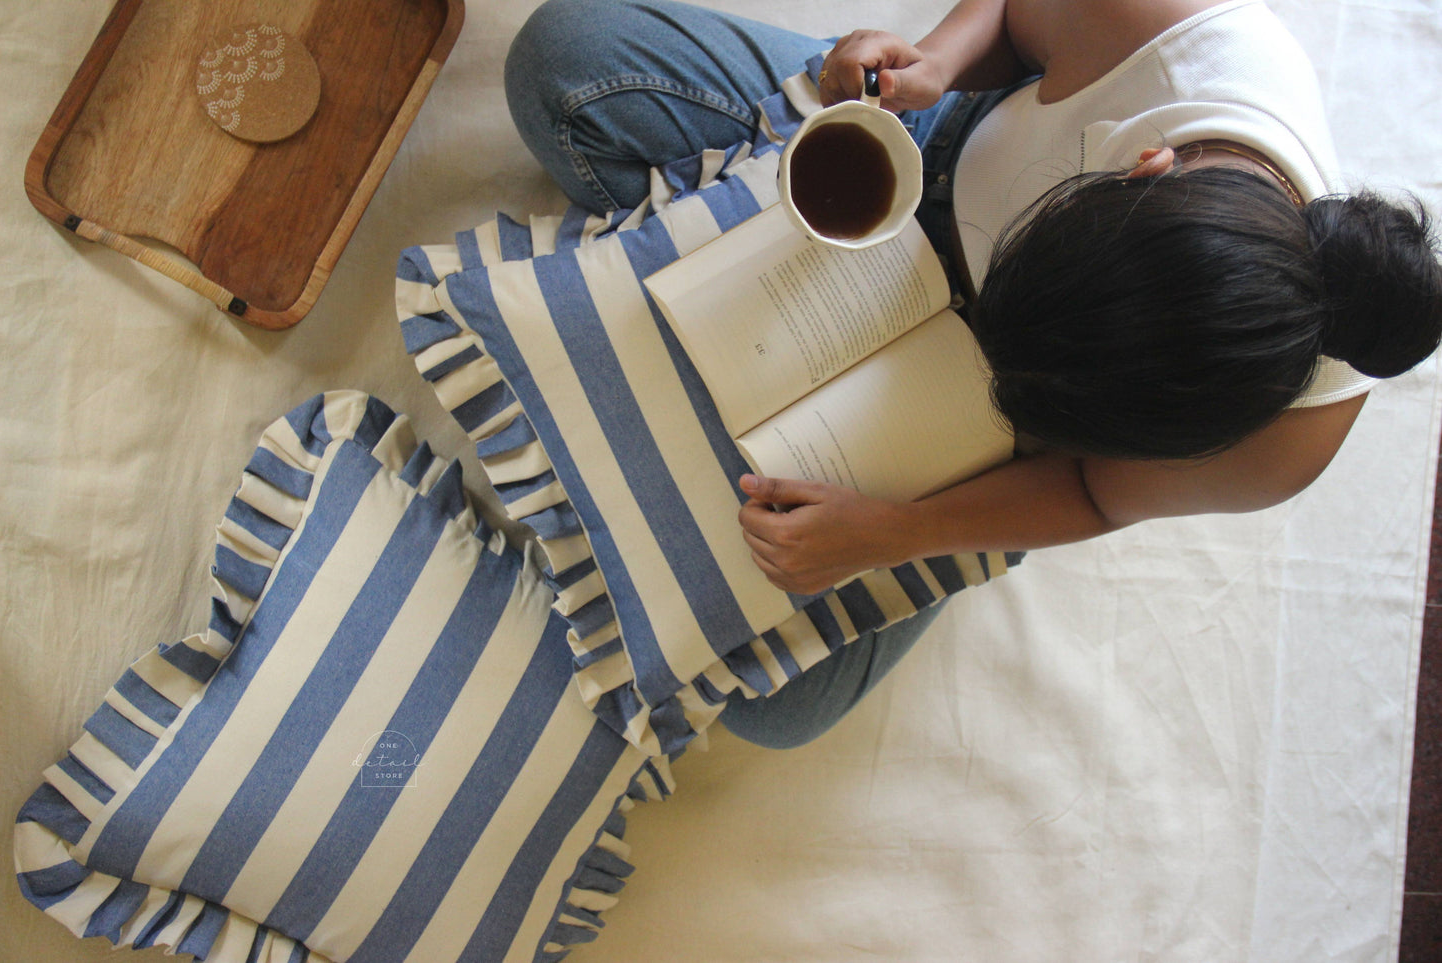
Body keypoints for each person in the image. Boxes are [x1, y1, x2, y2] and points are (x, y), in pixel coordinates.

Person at [505, 0, 1442, 748]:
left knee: (768, 702)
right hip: (929, 167)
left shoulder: (1290, 437)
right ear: (1140, 166)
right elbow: (1014, 14)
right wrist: (939, 62)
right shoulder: (1185, 40)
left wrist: (897, 532)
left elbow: (1095, 491)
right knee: (560, 58)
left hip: (975, 423)